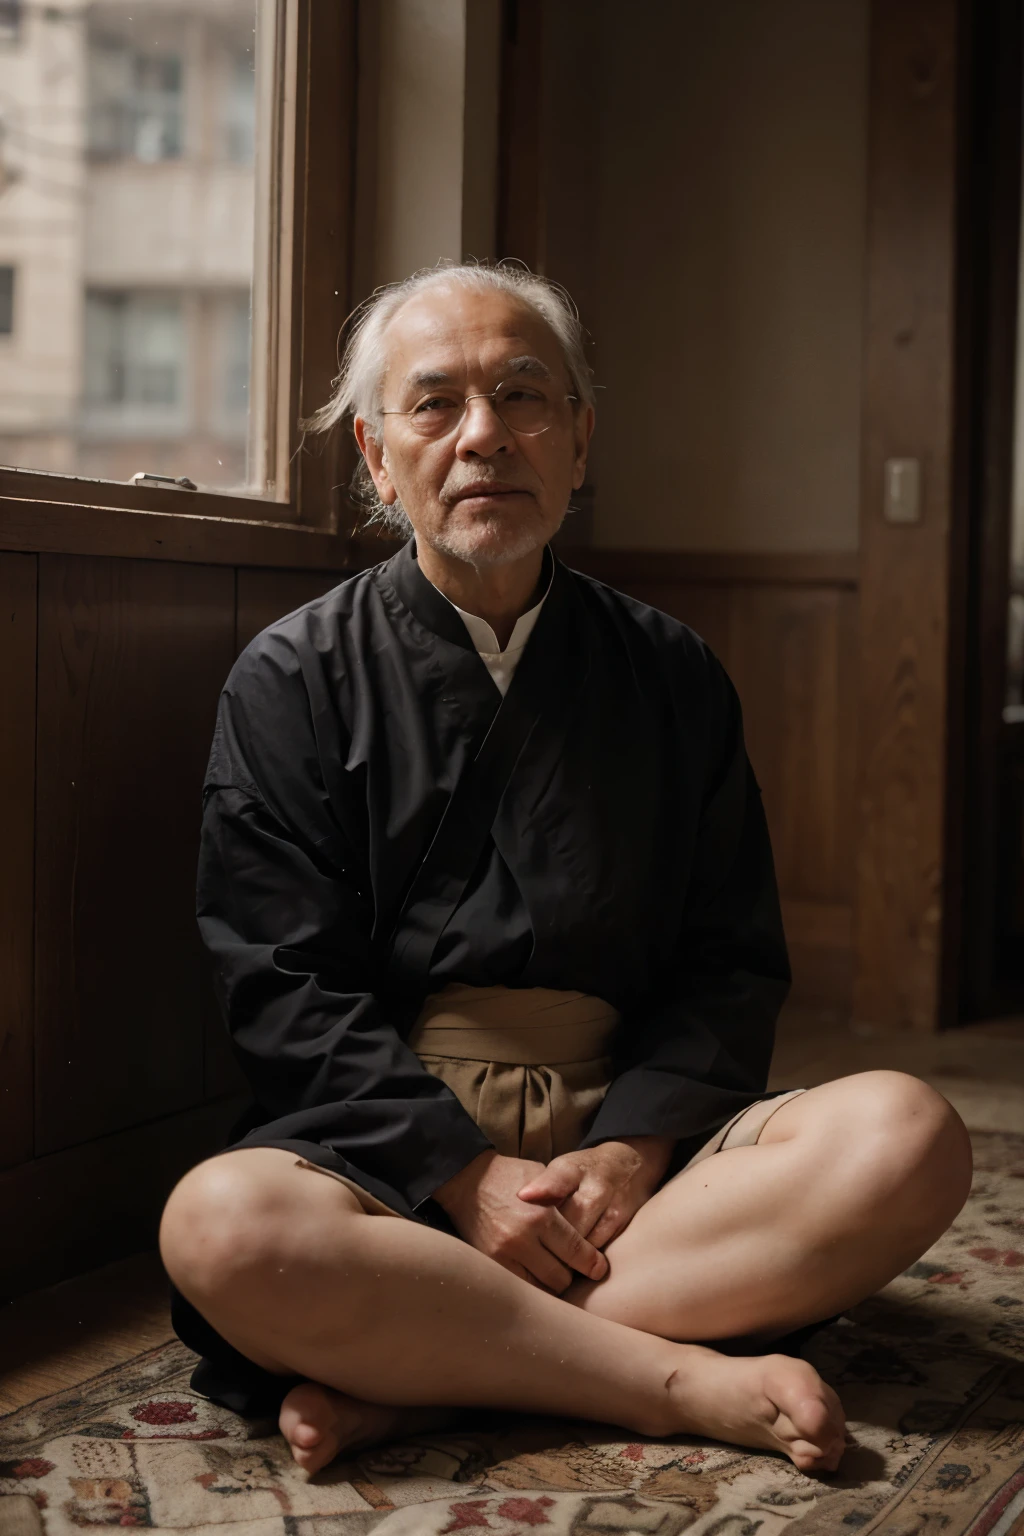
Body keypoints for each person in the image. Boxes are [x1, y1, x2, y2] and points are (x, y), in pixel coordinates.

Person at [159, 261, 973, 1482]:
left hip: (632, 1173)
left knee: (910, 1135)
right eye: (435, 406)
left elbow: (728, 960)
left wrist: (633, 1150)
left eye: (523, 396)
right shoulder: (292, 678)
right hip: (393, 1172)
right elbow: (282, 992)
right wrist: (466, 1178)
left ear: (579, 441)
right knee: (223, 1227)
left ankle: (431, 1381)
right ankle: (674, 1378)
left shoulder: (671, 672)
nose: (484, 435)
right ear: (380, 459)